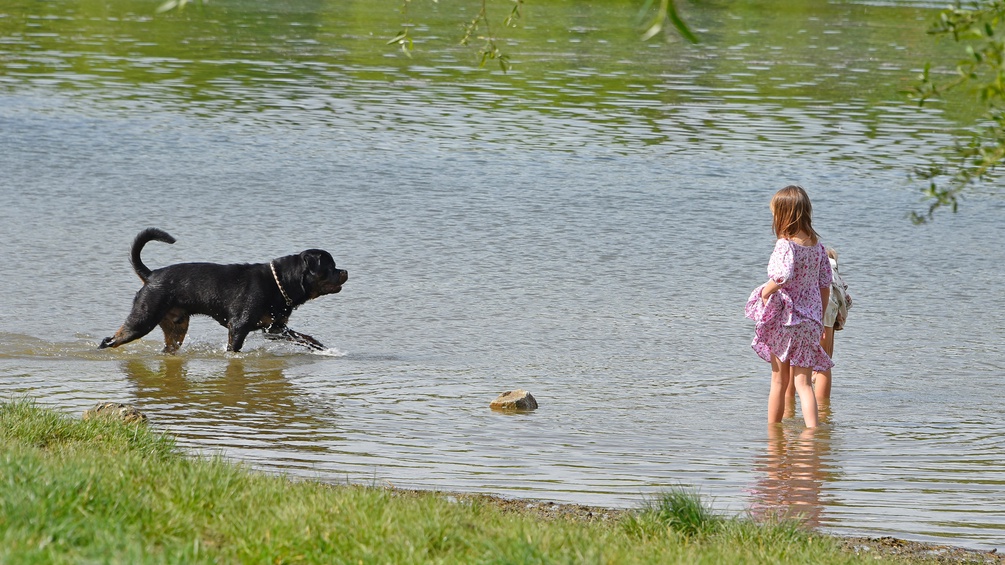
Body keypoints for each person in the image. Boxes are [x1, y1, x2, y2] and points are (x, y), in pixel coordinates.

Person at [745, 185, 833, 428]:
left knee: (778, 380)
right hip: (810, 322)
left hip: (786, 321)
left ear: (784, 215)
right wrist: (820, 318)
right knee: (803, 383)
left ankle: (773, 435)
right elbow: (825, 284)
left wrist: (764, 291)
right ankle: (813, 432)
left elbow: (782, 275)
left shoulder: (786, 244)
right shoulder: (818, 247)